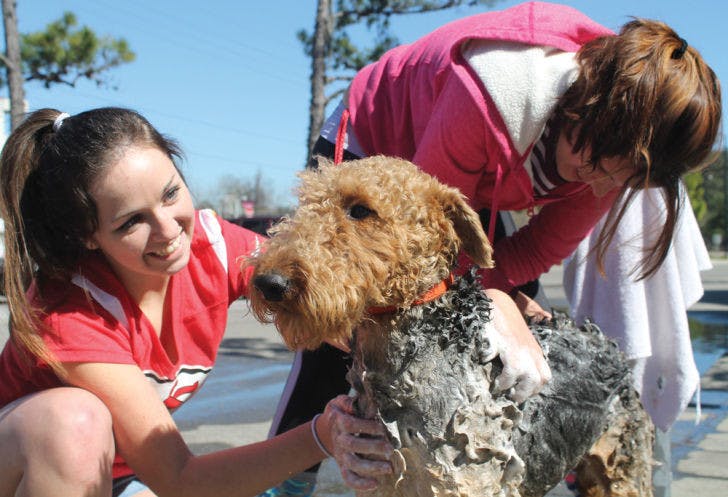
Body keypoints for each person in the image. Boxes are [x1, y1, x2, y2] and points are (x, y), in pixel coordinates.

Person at [258, 2, 722, 495]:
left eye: (628, 175)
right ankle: (282, 483)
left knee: (513, 332)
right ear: (593, 105)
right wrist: (490, 300)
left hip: (477, 175)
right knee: (338, 330)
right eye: (605, 155)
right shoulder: (493, 88)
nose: (602, 180)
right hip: (377, 141)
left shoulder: (609, 169)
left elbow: (533, 249)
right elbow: (430, 247)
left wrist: (504, 300)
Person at [0, 107, 395, 497]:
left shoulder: (214, 247)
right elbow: (181, 481)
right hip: (43, 470)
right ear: (86, 235)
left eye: (170, 193)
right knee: (71, 423)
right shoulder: (69, 314)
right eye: (131, 221)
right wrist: (322, 435)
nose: (169, 230)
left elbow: (319, 302)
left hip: (120, 478)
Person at [563, 183, 714, 497]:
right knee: (617, 463)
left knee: (644, 458)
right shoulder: (611, 178)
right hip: (608, 358)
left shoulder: (654, 183)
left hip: (623, 359)